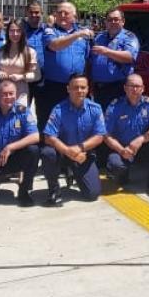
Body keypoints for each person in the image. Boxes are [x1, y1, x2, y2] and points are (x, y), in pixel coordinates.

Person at [39, 74, 105, 206]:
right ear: (68, 89)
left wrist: (79, 148)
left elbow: (100, 136)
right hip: (62, 153)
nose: (79, 90)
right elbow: (48, 137)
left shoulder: (95, 109)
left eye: (83, 87)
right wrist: (68, 151)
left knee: (92, 194)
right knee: (48, 153)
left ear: (87, 89)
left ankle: (74, 173)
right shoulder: (58, 110)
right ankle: (54, 190)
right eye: (75, 87)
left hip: (83, 154)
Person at [101, 74, 149, 196]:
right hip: (122, 147)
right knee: (115, 165)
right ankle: (122, 175)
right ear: (125, 88)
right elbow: (106, 134)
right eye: (131, 86)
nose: (135, 89)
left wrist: (141, 139)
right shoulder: (115, 105)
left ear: (143, 88)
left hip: (142, 146)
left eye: (138, 86)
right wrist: (122, 150)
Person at [37, 1, 92, 129]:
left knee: (76, 120)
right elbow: (55, 45)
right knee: (50, 120)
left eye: (66, 13)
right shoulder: (49, 31)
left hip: (77, 87)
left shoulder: (85, 36)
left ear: (74, 16)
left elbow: (88, 59)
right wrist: (77, 34)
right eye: (59, 12)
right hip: (54, 86)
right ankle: (48, 147)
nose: (62, 15)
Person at [0, 79, 39, 207]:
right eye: (4, 94)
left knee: (33, 150)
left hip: (12, 158)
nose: (8, 97)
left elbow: (35, 136)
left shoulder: (23, 111)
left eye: (11, 93)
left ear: (16, 94)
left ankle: (24, 191)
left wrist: (10, 147)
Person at [89, 9, 139, 107]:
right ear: (106, 22)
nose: (113, 22)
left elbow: (129, 57)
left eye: (116, 19)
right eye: (110, 20)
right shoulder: (99, 37)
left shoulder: (129, 37)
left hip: (118, 87)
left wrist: (106, 51)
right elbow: (90, 60)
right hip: (98, 88)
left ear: (123, 21)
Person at [0, 19, 40, 107]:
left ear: (23, 33)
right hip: (2, 92)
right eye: (12, 31)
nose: (15, 34)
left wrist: (21, 77)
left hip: (21, 93)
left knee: (19, 118)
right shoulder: (0, 51)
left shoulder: (30, 52)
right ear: (7, 32)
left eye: (18, 31)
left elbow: (36, 75)